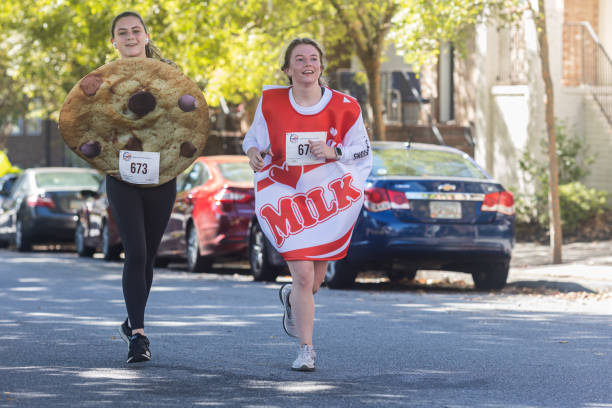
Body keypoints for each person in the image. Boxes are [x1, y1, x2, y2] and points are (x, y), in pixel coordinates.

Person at [243, 37, 372, 371]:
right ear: (288, 69)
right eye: (299, 59)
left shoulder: (345, 106)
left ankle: (291, 300)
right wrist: (254, 155)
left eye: (313, 58)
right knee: (302, 275)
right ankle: (306, 350)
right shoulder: (270, 101)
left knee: (313, 283)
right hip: (285, 194)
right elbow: (254, 141)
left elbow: (363, 151)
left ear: (321, 66)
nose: (307, 64)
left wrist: (335, 152)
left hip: (326, 199)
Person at [107, 11, 178, 363]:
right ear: (114, 42)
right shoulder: (103, 80)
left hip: (162, 175)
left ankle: (131, 319)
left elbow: (186, 119)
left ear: (147, 37)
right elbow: (90, 127)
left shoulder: (170, 75)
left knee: (148, 255)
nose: (131, 36)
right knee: (135, 252)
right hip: (122, 176)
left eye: (136, 31)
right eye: (123, 32)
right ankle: (139, 335)